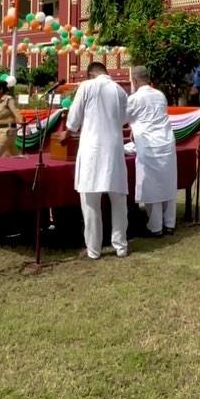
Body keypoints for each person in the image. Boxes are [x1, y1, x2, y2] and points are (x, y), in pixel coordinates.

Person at [61, 61, 129, 260]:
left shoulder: (86, 86)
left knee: (90, 202)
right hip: (114, 149)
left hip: (92, 149)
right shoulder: (120, 91)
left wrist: (69, 131)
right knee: (118, 200)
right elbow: (124, 119)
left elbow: (74, 118)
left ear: (90, 74)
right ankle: (121, 246)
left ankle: (93, 249)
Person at [126, 66, 177, 237]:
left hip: (149, 144)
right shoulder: (160, 95)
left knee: (152, 185)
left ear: (134, 80)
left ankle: (155, 227)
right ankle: (169, 223)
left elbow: (124, 117)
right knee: (168, 183)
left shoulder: (135, 98)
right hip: (166, 142)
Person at [0, 76, 22, 157]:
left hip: (8, 132)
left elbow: (15, 111)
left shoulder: (8, 100)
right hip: (2, 131)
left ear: (1, 89)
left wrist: (21, 120)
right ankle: (27, 165)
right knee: (15, 156)